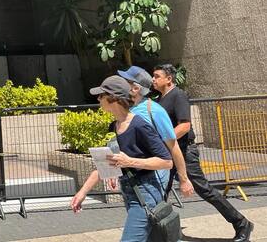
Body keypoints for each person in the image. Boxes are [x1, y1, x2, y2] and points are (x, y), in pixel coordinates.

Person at [153, 64, 254, 242]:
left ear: (169, 79)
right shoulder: (159, 99)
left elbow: (185, 126)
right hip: (169, 153)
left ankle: (242, 223)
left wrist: (162, 141)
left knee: (204, 190)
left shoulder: (178, 95)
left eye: (156, 76)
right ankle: (157, 233)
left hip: (185, 151)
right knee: (160, 191)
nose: (153, 79)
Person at [71, 76, 173, 241]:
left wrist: (130, 161)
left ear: (114, 98)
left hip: (146, 192)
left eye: (101, 95)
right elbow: (105, 163)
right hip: (129, 192)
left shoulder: (139, 125)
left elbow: (167, 161)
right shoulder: (113, 126)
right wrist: (82, 192)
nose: (98, 99)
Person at [118, 65, 194, 198]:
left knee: (204, 189)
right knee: (158, 207)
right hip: (134, 178)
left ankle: (232, 213)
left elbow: (174, 143)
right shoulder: (128, 110)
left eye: (126, 82)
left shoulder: (154, 109)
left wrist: (183, 179)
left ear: (136, 88)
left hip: (152, 178)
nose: (121, 85)